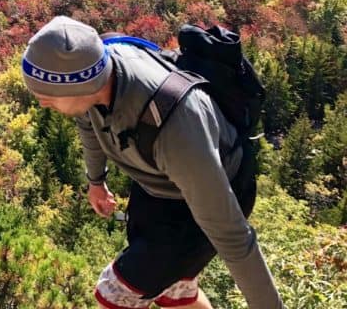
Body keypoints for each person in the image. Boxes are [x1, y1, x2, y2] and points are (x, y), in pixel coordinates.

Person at [21, 16, 283, 309]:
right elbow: (88, 121)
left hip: (212, 191)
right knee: (174, 291)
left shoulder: (176, 127)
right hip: (160, 186)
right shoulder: (98, 73)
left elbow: (233, 237)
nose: (42, 102)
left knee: (114, 294)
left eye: (47, 95)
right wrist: (96, 181)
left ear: (84, 86)